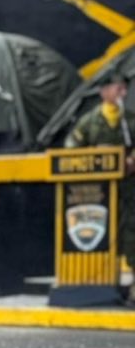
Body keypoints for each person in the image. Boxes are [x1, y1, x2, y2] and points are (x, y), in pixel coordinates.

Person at [65, 76, 132, 269]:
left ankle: (130, 264)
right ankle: (104, 266)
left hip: (128, 183)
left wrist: (131, 160)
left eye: (124, 89)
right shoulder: (90, 121)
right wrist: (94, 155)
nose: (123, 94)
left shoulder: (129, 120)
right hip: (99, 189)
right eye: (118, 89)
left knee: (130, 224)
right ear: (104, 92)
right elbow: (71, 147)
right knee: (102, 224)